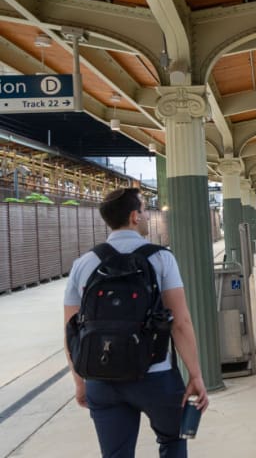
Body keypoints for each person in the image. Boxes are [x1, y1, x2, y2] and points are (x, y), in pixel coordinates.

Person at [63, 187, 209, 458]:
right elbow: (180, 322)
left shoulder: (83, 264)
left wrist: (80, 381)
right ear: (134, 216)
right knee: (173, 441)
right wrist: (196, 375)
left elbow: (72, 330)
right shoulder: (161, 257)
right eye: (143, 210)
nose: (145, 215)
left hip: (102, 379)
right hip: (156, 376)